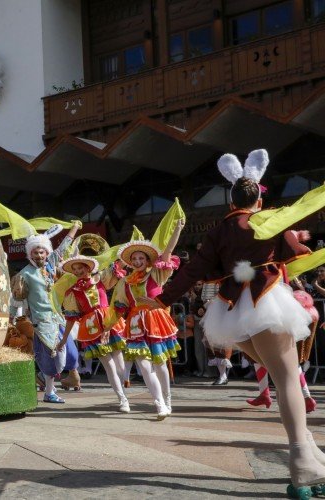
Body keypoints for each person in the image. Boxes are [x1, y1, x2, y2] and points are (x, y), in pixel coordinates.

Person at [140, 149, 325, 497]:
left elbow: (194, 269)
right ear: (259, 195)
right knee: (288, 381)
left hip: (231, 309)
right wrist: (298, 241)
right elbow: (293, 254)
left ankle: (311, 454)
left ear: (232, 198)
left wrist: (163, 299)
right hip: (267, 299)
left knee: (280, 376)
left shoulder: (218, 229)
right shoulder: (268, 220)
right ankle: (304, 465)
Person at [112, 218, 184, 420]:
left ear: (147, 259)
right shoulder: (125, 282)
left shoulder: (156, 274)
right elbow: (119, 306)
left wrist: (176, 230)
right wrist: (109, 327)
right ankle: (159, 403)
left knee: (160, 364)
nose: (136, 262)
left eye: (140, 258)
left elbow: (168, 253)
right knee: (144, 366)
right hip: (135, 324)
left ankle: (168, 400)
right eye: (133, 259)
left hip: (155, 320)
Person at [10, 222, 81, 403]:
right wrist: (11, 318)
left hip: (58, 319)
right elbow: (16, 299)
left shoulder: (51, 265)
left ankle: (48, 381)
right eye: (35, 252)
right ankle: (49, 392)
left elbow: (64, 245)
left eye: (42, 252)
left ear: (47, 252)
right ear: (29, 254)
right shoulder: (24, 274)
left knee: (71, 354)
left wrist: (74, 228)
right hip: (42, 323)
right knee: (52, 359)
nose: (39, 255)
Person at [60, 253, 129, 412]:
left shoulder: (100, 279)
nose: (78, 271)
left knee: (119, 362)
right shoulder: (73, 292)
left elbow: (120, 265)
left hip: (109, 321)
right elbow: (70, 319)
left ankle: (124, 388)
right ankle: (122, 399)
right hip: (92, 328)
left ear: (88, 267)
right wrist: (64, 339)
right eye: (75, 269)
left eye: (80, 268)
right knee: (109, 366)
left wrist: (127, 253)